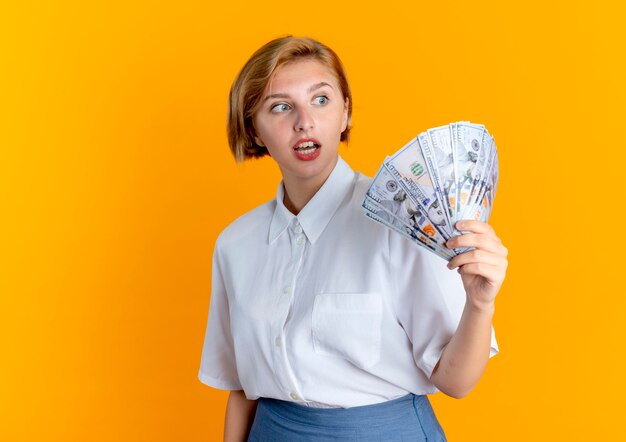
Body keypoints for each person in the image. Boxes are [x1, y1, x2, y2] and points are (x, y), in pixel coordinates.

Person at [198, 36, 508, 442]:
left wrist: (480, 304)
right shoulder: (235, 245)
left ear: (345, 112)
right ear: (253, 130)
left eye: (321, 100)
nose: (304, 121)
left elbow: (457, 382)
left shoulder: (405, 219)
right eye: (280, 106)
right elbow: (242, 388)